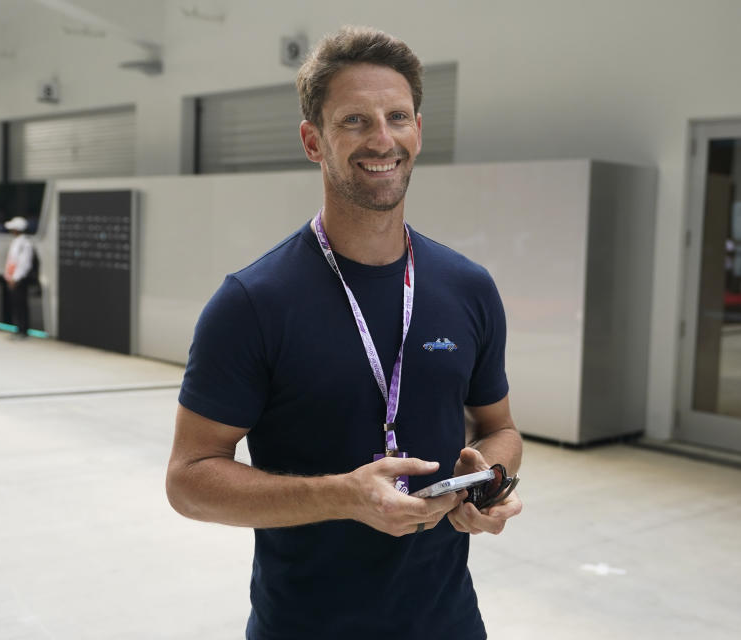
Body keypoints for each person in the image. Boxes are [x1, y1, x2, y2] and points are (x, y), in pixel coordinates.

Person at [166, 25, 523, 639]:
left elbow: (500, 428)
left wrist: (485, 484)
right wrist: (343, 497)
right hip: (304, 625)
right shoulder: (253, 302)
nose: (382, 139)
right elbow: (189, 478)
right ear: (313, 141)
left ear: (418, 129)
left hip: (449, 622)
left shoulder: (468, 287)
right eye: (355, 121)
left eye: (398, 116)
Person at [3, 216, 35, 339]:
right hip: (13, 278)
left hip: (20, 279)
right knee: (16, 305)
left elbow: (24, 264)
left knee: (21, 305)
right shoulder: (16, 242)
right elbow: (11, 261)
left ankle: (23, 330)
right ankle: (18, 328)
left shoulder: (25, 243)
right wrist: (8, 276)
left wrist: (16, 278)